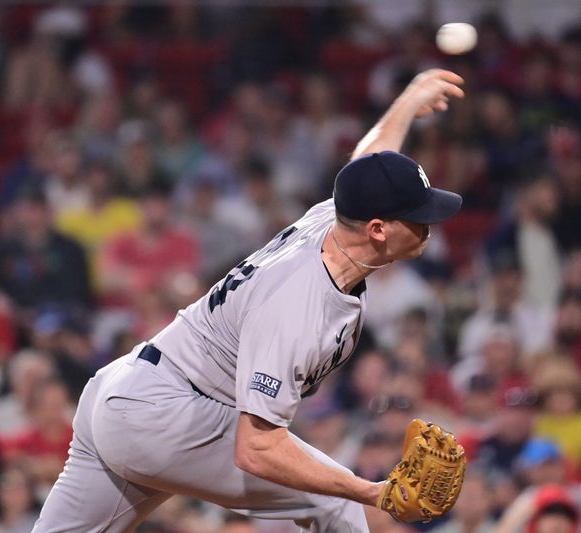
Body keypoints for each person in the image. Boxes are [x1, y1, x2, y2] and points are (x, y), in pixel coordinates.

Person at [33, 69, 466, 532]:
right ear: (378, 230)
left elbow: (369, 164)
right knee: (336, 506)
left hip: (130, 392)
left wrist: (407, 102)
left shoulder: (335, 221)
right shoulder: (300, 302)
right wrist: (373, 492)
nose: (428, 223)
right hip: (168, 412)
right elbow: (256, 449)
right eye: (417, 216)